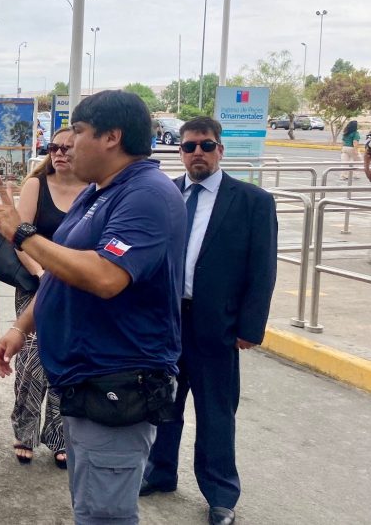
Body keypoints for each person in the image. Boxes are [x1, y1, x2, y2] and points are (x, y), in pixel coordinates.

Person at [0, 90, 185, 525]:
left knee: (105, 515)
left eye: (77, 131)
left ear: (112, 136)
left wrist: (20, 234)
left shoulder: (147, 194)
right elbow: (62, 271)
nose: (67, 144)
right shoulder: (98, 192)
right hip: (84, 378)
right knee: (90, 505)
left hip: (116, 381)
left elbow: (104, 276)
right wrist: (22, 328)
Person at [141, 117, 277, 525]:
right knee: (163, 404)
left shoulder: (251, 201)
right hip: (167, 324)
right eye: (188, 146)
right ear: (179, 152)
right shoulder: (167, 195)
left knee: (217, 412)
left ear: (220, 150)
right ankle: (160, 472)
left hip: (217, 326)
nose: (196, 152)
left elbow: (262, 269)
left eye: (205, 145)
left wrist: (250, 328)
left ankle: (220, 494)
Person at [7, 127, 87, 468]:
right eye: (54, 147)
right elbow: (18, 236)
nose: (60, 153)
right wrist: (43, 273)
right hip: (36, 283)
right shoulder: (36, 186)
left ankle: (58, 436)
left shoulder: (92, 189)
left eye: (68, 148)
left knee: (65, 362)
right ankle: (24, 432)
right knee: (31, 362)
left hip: (78, 288)